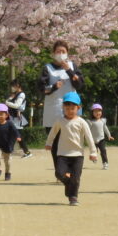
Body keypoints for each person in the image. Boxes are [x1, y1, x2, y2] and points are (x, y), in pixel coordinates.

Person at [44, 91, 97, 206]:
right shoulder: (60, 121)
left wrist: (93, 152)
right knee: (59, 173)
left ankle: (73, 197)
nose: (70, 110)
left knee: (76, 178)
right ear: (63, 107)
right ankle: (69, 184)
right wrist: (49, 143)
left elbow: (89, 137)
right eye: (67, 108)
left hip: (78, 155)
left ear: (78, 108)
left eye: (72, 108)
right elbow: (52, 133)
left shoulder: (82, 122)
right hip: (62, 154)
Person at [39, 40, 84, 172]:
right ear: (53, 54)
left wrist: (69, 70)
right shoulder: (47, 68)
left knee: (72, 141)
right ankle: (60, 171)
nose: (60, 54)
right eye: (58, 51)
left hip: (71, 110)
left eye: (63, 52)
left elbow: (80, 84)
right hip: (53, 111)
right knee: (55, 143)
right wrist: (53, 87)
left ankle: (71, 170)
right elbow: (41, 88)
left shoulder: (72, 66)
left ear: (67, 53)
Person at [0, 103, 21, 181]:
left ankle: (7, 173)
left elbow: (15, 131)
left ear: (6, 115)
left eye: (1, 114)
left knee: (7, 162)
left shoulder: (10, 123)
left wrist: (18, 136)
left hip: (7, 144)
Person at [5, 78, 32, 157]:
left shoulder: (21, 94)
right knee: (17, 136)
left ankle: (9, 151)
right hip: (13, 117)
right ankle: (26, 152)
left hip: (17, 118)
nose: (12, 88)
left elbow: (17, 105)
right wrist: (9, 100)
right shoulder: (15, 94)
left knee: (15, 135)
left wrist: (7, 103)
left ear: (17, 85)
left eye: (13, 86)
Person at [86, 103, 114, 169]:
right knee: (94, 151)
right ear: (92, 113)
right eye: (95, 111)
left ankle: (105, 163)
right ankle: (94, 158)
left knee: (103, 151)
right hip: (93, 140)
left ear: (101, 112)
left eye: (99, 111)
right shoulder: (90, 122)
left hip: (101, 139)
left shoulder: (103, 121)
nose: (98, 113)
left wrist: (109, 135)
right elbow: (87, 130)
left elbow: (105, 128)